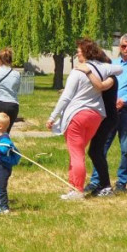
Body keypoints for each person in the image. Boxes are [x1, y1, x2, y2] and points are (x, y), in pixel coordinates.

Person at [47, 39, 109, 200]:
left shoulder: (78, 72)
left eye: (79, 51)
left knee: (76, 153)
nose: (77, 53)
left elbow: (66, 97)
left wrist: (53, 116)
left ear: (86, 52)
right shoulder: (101, 69)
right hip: (96, 115)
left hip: (77, 115)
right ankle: (72, 185)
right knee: (78, 152)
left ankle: (77, 190)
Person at [89, 33, 127, 193]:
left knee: (126, 149)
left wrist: (124, 100)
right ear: (119, 47)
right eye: (123, 46)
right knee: (101, 147)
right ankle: (97, 180)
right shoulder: (112, 64)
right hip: (109, 111)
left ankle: (122, 182)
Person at [77, 47, 123, 197]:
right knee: (96, 151)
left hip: (109, 118)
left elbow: (100, 86)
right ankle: (103, 184)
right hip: (102, 118)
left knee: (96, 151)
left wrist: (88, 72)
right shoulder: (103, 75)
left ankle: (106, 186)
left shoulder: (111, 78)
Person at [0, 112, 19, 214]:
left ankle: (4, 208)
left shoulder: (5, 139)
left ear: (0, 126)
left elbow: (3, 150)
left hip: (3, 167)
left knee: (0, 187)